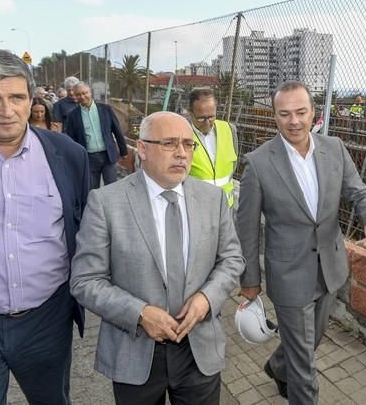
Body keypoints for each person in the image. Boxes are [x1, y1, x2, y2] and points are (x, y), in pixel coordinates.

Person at [70, 111, 245, 405]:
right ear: (143, 149)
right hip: (136, 351)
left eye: (188, 145)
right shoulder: (106, 202)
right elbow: (86, 280)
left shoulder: (213, 199)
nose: (181, 154)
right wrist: (139, 313)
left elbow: (232, 259)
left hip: (198, 349)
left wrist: (206, 299)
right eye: (169, 144)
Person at [237, 80, 366, 404]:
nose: (294, 121)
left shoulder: (335, 149)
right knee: (305, 368)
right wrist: (249, 281)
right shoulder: (259, 164)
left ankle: (277, 365)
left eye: (301, 112)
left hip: (330, 268)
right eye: (284, 114)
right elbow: (245, 229)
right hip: (289, 277)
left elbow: (358, 191)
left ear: (313, 112)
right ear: (274, 116)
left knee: (309, 340)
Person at [0, 48, 90, 404]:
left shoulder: (68, 156)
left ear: (32, 100)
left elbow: (84, 227)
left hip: (47, 321)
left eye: (16, 97)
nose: (6, 110)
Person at [65, 81, 128, 189]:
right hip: (89, 158)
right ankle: (95, 206)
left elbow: (117, 130)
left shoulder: (105, 109)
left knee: (111, 188)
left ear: (90, 92)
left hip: (108, 155)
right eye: (79, 94)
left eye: (85, 93)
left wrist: (123, 151)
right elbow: (71, 140)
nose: (83, 96)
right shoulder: (72, 115)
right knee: (92, 190)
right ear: (75, 96)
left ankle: (110, 206)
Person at [186, 87, 239, 208]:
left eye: (211, 117)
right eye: (201, 118)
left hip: (226, 208)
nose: (206, 123)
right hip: (195, 208)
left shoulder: (229, 130)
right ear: (190, 112)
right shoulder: (181, 134)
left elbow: (233, 165)